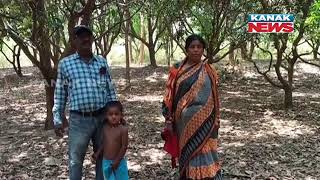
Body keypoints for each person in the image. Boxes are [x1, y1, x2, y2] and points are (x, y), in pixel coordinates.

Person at [52, 25, 117, 180]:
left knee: (103, 156)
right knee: (75, 161)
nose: (86, 39)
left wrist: (116, 114)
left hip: (102, 118)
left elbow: (110, 89)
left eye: (88, 36)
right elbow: (60, 93)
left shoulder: (101, 61)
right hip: (79, 120)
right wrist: (57, 118)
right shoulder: (65, 64)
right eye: (81, 36)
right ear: (74, 41)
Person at [162, 34, 223, 179]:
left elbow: (215, 96)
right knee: (189, 152)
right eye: (192, 47)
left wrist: (217, 118)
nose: (196, 50)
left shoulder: (209, 70)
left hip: (207, 122)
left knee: (206, 151)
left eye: (199, 47)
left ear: (203, 50)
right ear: (186, 49)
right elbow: (169, 94)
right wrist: (167, 117)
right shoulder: (177, 70)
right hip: (184, 124)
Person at [92, 101, 129, 180]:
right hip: (106, 162)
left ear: (121, 115)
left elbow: (124, 146)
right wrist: (98, 153)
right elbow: (105, 142)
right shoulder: (105, 127)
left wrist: (117, 161)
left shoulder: (123, 129)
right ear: (106, 115)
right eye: (110, 114)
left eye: (116, 114)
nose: (113, 116)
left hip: (119, 162)